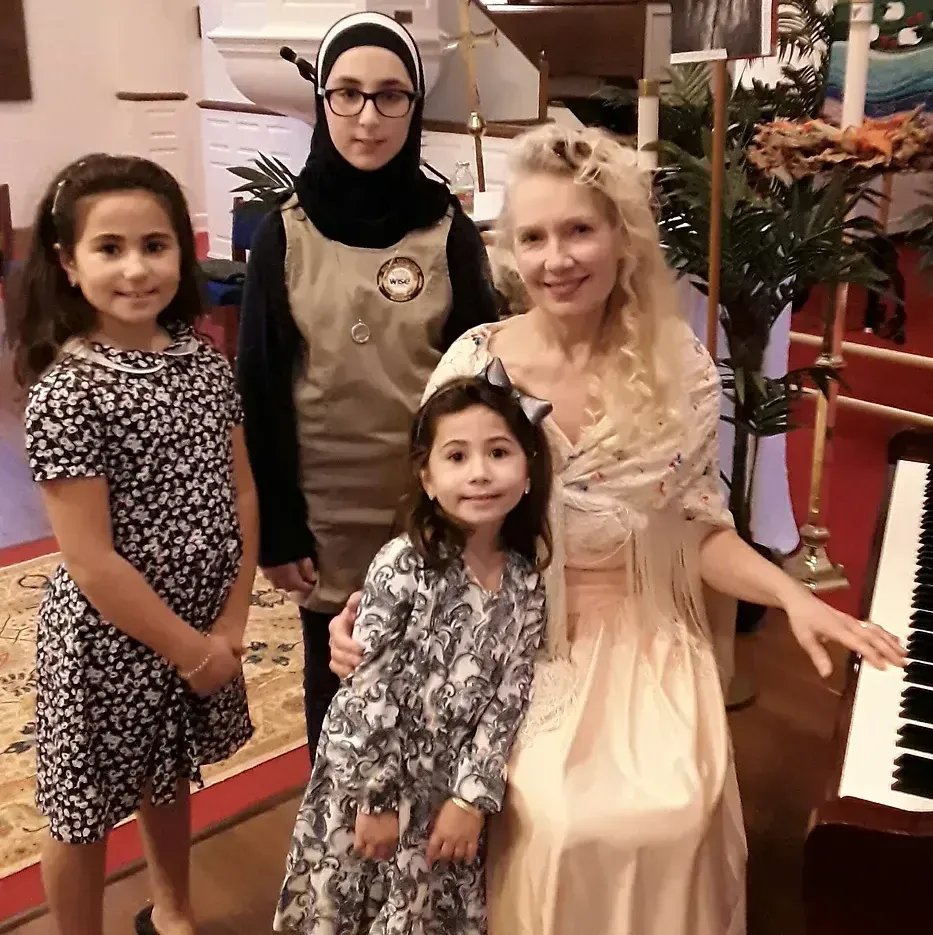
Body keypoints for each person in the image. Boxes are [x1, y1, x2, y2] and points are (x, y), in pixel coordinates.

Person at [324, 124, 907, 935]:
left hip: (636, 628)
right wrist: (369, 613)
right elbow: (432, 522)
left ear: (620, 237)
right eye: (533, 236)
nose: (556, 257)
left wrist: (793, 595)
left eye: (578, 230)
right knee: (557, 816)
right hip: (498, 636)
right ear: (509, 250)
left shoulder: (678, 366)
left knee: (671, 804)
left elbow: (699, 531)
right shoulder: (471, 363)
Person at [237, 11, 501, 757]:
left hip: (430, 502)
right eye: (346, 94)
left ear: (414, 108)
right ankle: (342, 857)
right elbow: (258, 388)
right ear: (321, 102)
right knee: (342, 697)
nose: (367, 116)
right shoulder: (282, 235)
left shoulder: (445, 230)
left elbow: (481, 374)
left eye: (391, 96)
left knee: (436, 683)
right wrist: (279, 529)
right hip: (326, 513)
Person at [8, 154, 257, 935]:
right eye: (108, 248)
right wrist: (189, 648)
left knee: (168, 769)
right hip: (108, 640)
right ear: (67, 262)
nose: (136, 268)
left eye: (155, 245)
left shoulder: (205, 363)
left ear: (182, 251)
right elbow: (91, 558)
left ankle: (173, 908)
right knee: (80, 810)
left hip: (202, 622)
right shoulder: (68, 391)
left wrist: (232, 618)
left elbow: (242, 492)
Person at [274, 366, 552, 934]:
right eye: (456, 457)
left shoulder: (525, 582)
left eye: (498, 452)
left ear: (528, 470)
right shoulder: (405, 564)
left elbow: (509, 697)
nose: (479, 473)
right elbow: (366, 690)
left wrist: (471, 799)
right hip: (376, 780)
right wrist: (374, 801)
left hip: (445, 788)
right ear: (426, 477)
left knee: (421, 914)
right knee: (350, 906)